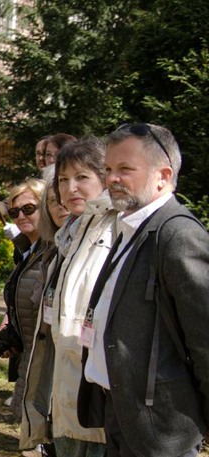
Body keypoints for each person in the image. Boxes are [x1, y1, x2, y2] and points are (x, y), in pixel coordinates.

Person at [77, 124, 209, 457]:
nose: (111, 179)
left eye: (125, 169)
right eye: (108, 169)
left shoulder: (178, 235)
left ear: (162, 176)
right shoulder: (130, 227)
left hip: (161, 429)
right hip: (121, 412)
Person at [46, 139, 115, 456]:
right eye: (63, 179)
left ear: (104, 178)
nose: (70, 187)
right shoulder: (70, 232)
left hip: (97, 393)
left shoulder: (115, 228)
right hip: (66, 384)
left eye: (81, 177)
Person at [0, 178, 56, 422]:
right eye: (14, 211)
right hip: (29, 355)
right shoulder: (26, 249)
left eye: (29, 208)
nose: (20, 216)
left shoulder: (54, 250)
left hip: (47, 361)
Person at [19, 165, 68, 455]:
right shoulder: (54, 248)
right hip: (45, 352)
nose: (59, 205)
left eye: (28, 208)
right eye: (52, 201)